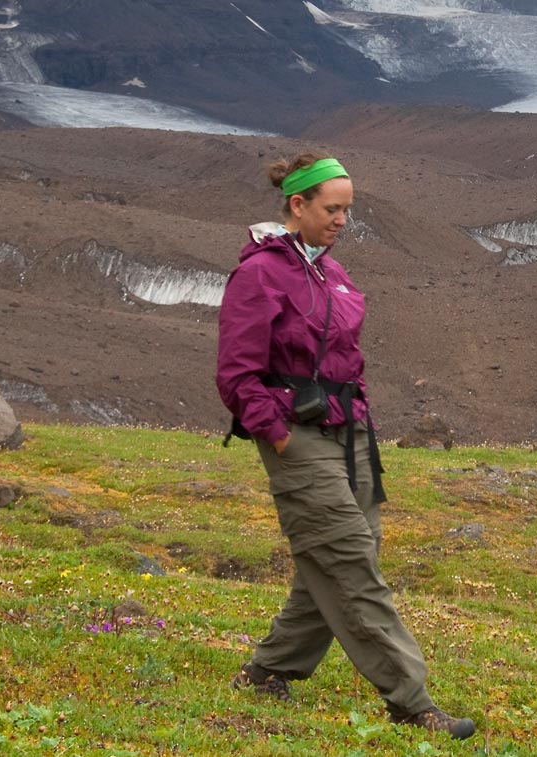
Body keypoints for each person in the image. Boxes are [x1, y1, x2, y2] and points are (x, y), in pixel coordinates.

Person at [216, 154, 477, 739]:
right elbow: (236, 375)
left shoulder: (329, 272)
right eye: (332, 209)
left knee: (335, 560)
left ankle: (267, 671)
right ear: (297, 205)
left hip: (348, 431)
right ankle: (413, 702)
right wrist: (277, 435)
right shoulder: (260, 274)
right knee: (349, 562)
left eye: (347, 210)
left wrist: (357, 416)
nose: (341, 221)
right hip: (297, 435)